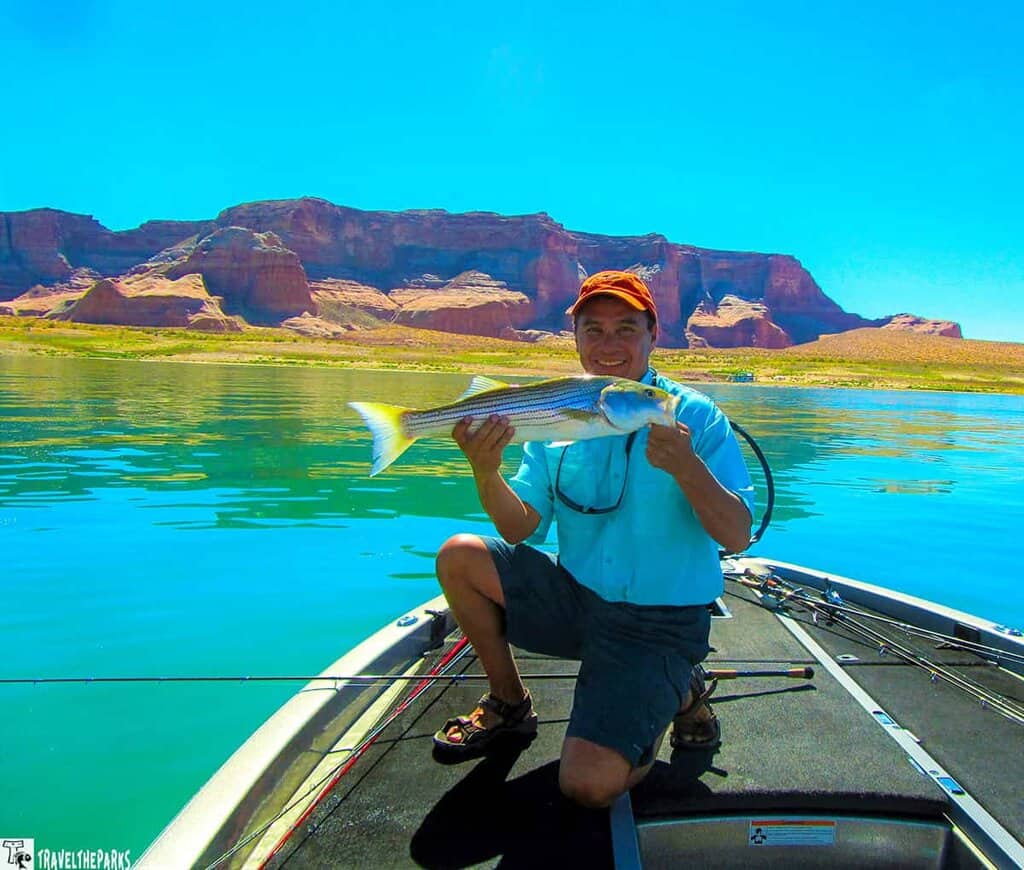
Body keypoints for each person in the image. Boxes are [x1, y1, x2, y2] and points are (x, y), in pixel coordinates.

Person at [431, 270, 754, 808]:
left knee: (587, 785)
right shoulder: (558, 412)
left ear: (654, 336)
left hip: (659, 623)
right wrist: (485, 472)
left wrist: (689, 469)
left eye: (626, 329)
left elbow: (738, 535)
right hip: (578, 599)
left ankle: (681, 688)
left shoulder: (694, 416)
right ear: (575, 338)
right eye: (594, 331)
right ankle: (510, 704)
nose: (609, 346)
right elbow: (522, 528)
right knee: (459, 557)